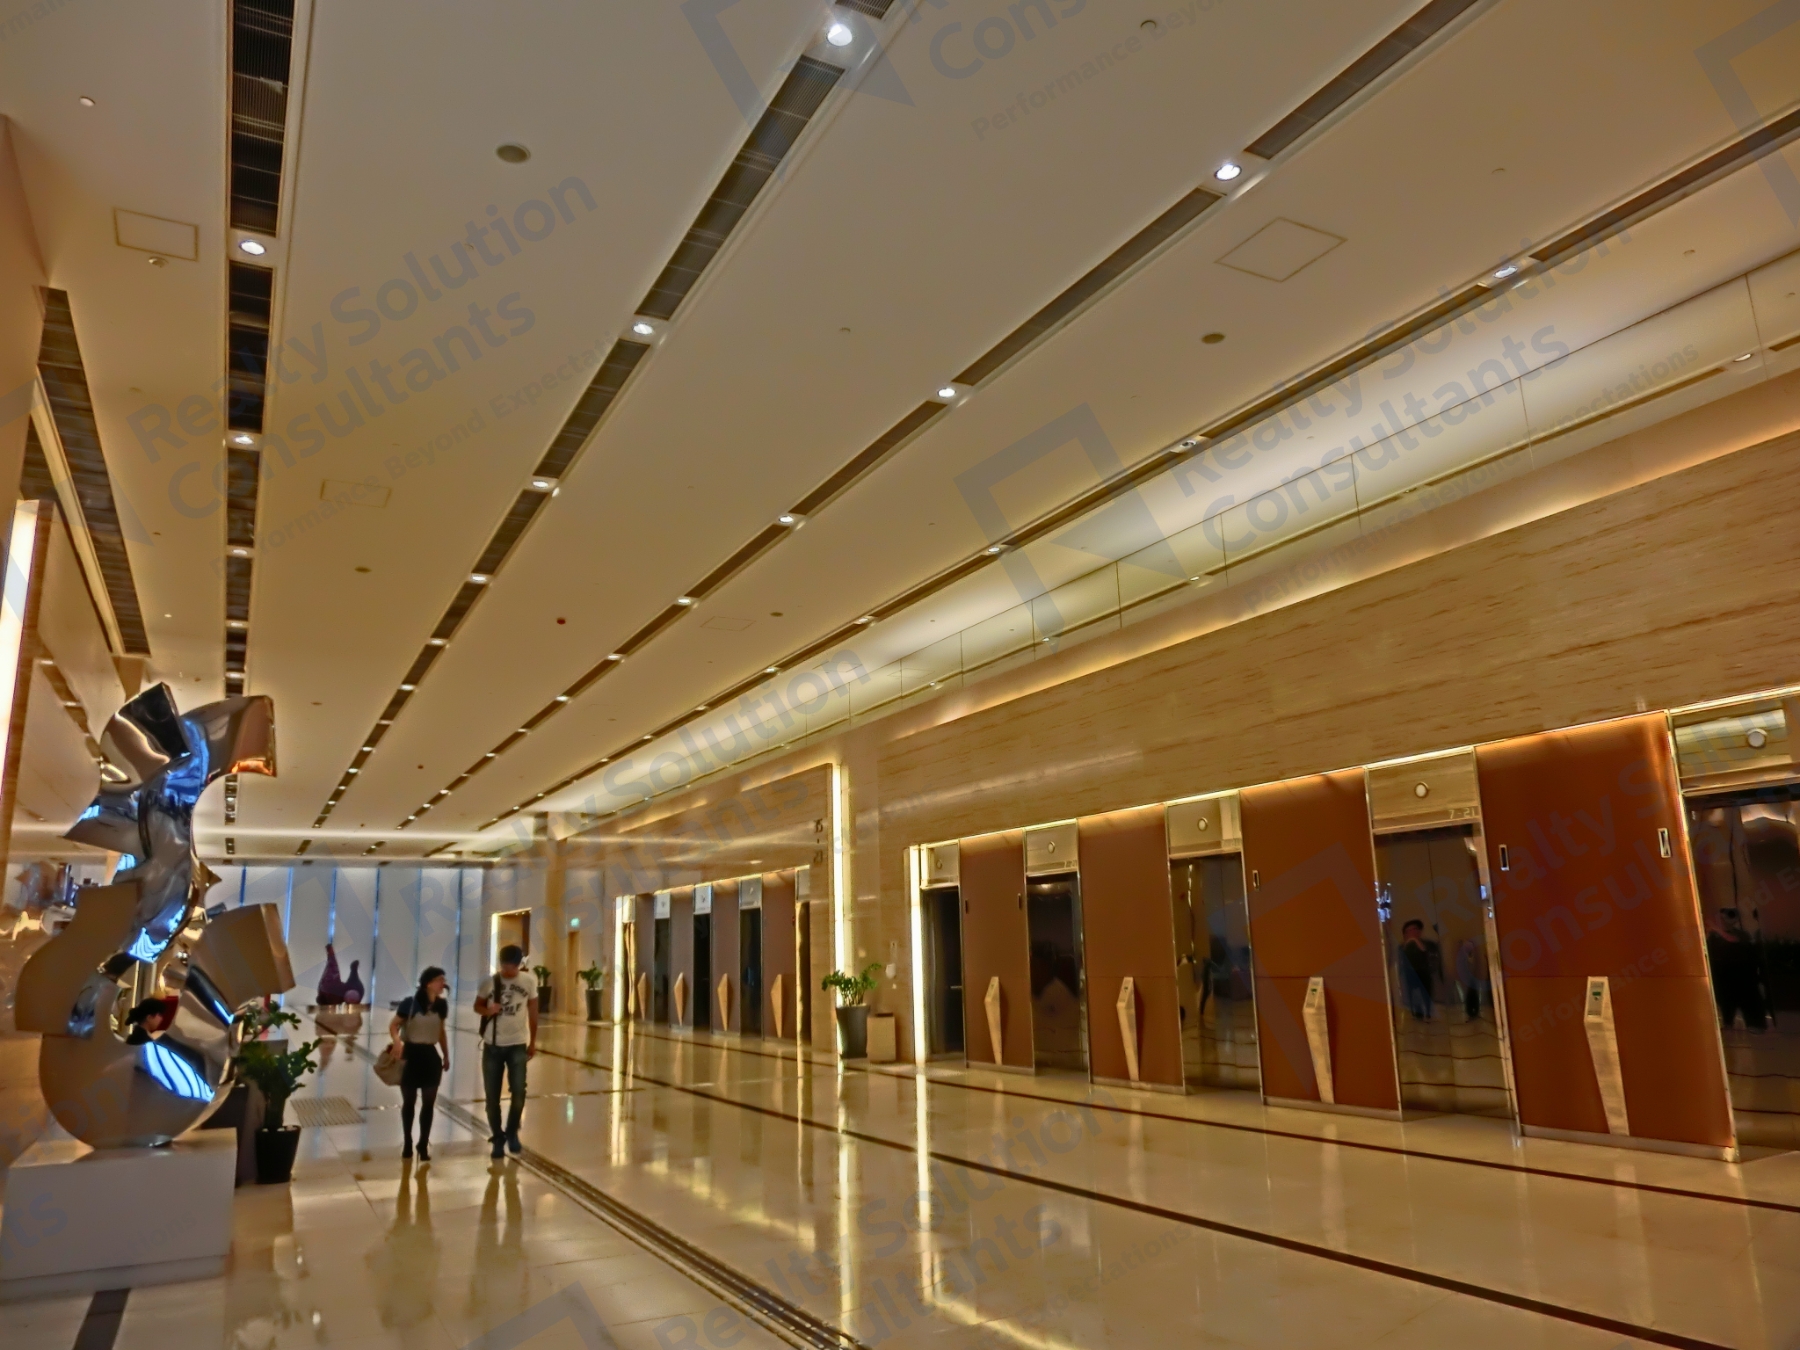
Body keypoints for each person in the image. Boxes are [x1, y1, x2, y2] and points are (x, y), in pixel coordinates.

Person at [473, 945, 537, 1160]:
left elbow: (533, 1011)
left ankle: (511, 1132)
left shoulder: (529, 981)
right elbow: (477, 1006)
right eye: (504, 966)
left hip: (517, 1044)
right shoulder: (489, 982)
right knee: (492, 1096)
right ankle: (498, 1137)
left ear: (519, 965)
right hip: (493, 1045)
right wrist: (488, 1010)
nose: (507, 971)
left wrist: (533, 1041)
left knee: (519, 1092)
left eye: (512, 967)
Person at [389, 966, 450, 1161]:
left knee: (429, 1103)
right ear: (428, 983)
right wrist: (397, 1041)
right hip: (411, 1054)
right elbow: (394, 1024)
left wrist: (446, 1054)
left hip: (430, 1056)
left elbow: (441, 1031)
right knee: (409, 1102)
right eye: (439, 980)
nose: (443, 984)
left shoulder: (441, 1005)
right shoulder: (410, 1003)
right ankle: (407, 1140)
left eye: (443, 980)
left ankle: (423, 1143)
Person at [1397, 920, 1437, 1021]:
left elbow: (1425, 951)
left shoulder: (1427, 943)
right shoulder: (1403, 946)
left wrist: (1415, 941)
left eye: (1414, 929)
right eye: (1408, 931)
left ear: (1419, 931)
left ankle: (1428, 1014)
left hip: (1424, 972)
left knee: (1426, 994)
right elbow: (1401, 958)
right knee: (1413, 995)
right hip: (1410, 973)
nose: (1412, 932)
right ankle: (1418, 1014)